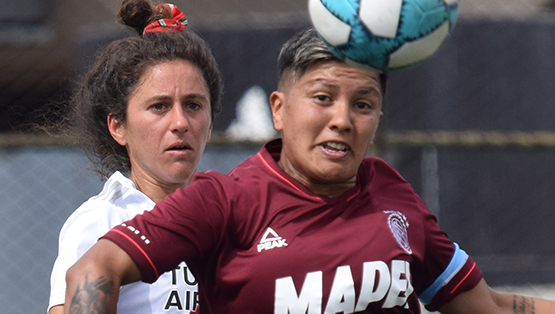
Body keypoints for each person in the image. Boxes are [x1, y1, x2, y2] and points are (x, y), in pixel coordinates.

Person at [62, 27, 555, 314]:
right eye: (322, 98)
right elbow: (96, 267)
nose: (342, 118)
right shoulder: (224, 200)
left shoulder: (391, 192)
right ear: (279, 110)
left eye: (363, 104)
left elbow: (486, 307)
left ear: (378, 119)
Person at [47, 0, 223, 313]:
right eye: (160, 106)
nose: (180, 123)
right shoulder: (100, 222)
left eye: (194, 105)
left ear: (210, 125)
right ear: (118, 127)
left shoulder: (235, 213)